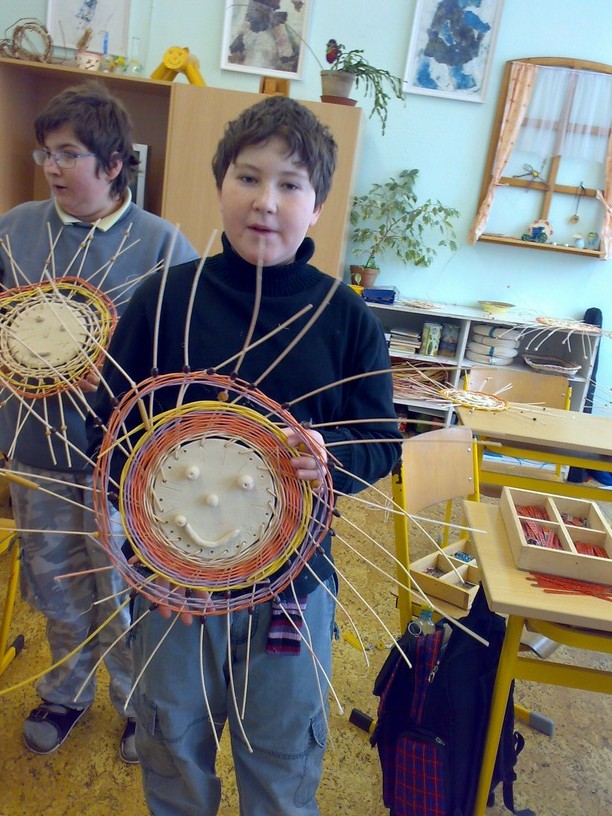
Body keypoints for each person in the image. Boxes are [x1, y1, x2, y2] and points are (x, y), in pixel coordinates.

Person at [88, 95, 402, 813]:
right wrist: (147, 554)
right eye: (248, 178)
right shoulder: (166, 299)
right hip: (174, 587)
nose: (266, 201)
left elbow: (380, 440)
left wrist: (330, 454)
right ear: (221, 184)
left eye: (290, 185)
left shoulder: (345, 318)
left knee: (283, 760)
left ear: (316, 206)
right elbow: (107, 432)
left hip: (295, 585)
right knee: (172, 747)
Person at [0, 82, 198, 762]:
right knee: (54, 585)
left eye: (68, 154)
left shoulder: (163, 245)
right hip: (33, 449)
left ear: (114, 163)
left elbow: (188, 358)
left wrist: (118, 376)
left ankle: (137, 704)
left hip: (119, 462)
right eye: (46, 152)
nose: (51, 167)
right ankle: (65, 693)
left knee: (120, 589)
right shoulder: (16, 227)